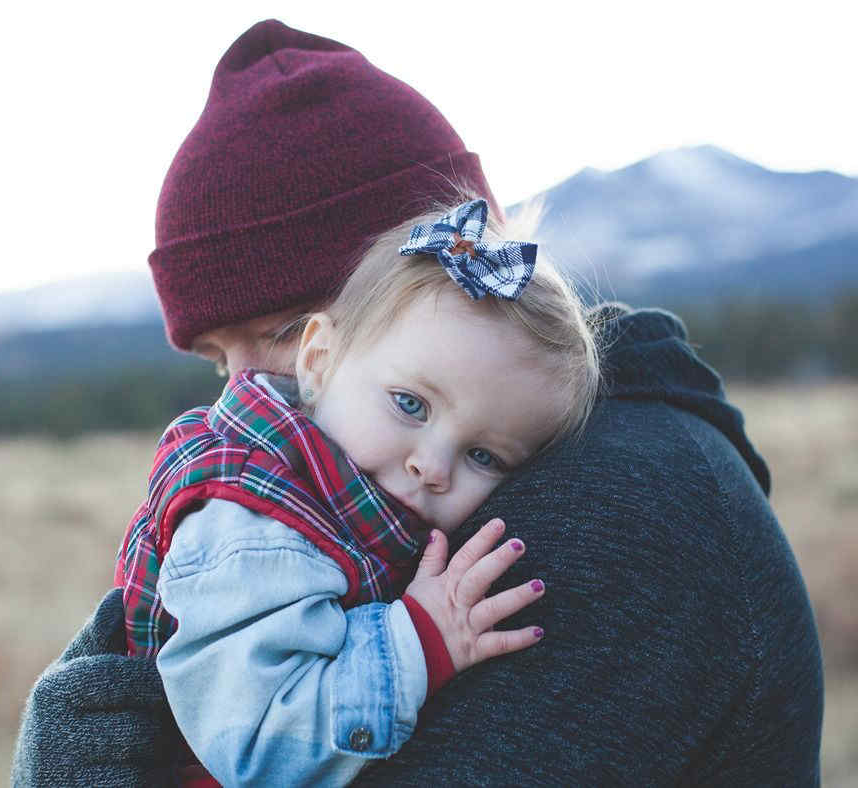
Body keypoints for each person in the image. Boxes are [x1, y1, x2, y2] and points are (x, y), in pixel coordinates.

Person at [13, 18, 823, 787]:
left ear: (439, 280)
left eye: (288, 330)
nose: (248, 392)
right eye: (218, 360)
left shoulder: (612, 515)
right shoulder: (420, 485)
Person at [119, 197, 599, 785]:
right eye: (410, 404)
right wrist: (419, 640)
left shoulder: (348, 498)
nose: (432, 466)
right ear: (318, 361)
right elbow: (262, 748)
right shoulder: (256, 525)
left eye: (484, 455)